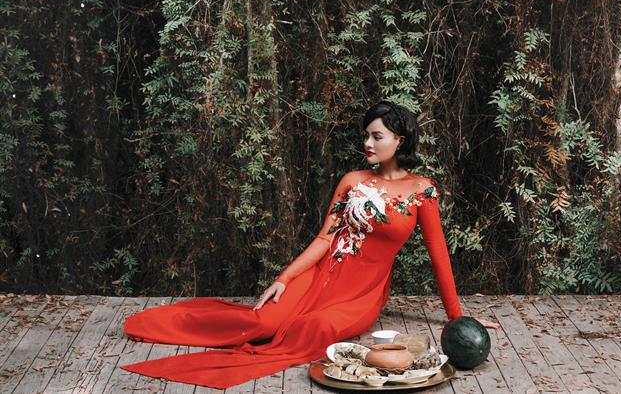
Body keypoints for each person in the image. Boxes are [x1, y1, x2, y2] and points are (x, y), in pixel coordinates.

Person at [120, 100, 499, 390]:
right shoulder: (352, 180)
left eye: (376, 136)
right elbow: (325, 238)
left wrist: (456, 317)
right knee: (261, 321)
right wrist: (284, 278)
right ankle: (160, 322)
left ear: (400, 140)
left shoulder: (422, 191)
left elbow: (438, 255)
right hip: (320, 274)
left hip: (361, 294)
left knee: (313, 328)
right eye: (366, 135)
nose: (367, 143)